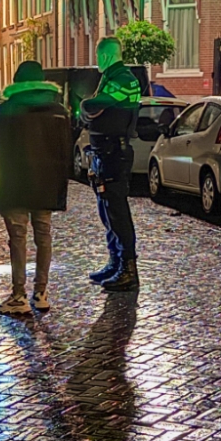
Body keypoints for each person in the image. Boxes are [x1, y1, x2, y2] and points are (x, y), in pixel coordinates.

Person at [0, 61, 71, 315]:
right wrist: (60, 184)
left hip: (15, 185)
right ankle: (41, 292)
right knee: (43, 235)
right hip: (46, 184)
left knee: (18, 238)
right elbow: (65, 150)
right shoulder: (58, 110)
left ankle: (18, 294)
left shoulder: (9, 109)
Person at [81, 37, 142, 292]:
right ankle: (116, 262)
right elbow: (91, 114)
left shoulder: (123, 79)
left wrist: (85, 105)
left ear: (105, 56)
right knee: (107, 211)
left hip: (114, 153)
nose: (97, 61)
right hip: (105, 153)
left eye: (98, 56)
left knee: (117, 212)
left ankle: (128, 269)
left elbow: (93, 105)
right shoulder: (111, 77)